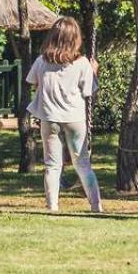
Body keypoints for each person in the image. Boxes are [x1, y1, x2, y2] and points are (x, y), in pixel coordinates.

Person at [25, 16, 101, 214]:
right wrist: (93, 72)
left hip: (49, 119)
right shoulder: (82, 63)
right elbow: (88, 91)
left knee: (52, 165)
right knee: (82, 163)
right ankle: (96, 205)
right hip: (75, 118)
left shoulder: (41, 61)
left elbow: (34, 83)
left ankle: (52, 206)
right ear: (75, 39)